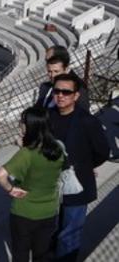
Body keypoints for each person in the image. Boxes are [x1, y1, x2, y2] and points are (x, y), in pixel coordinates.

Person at [49, 73, 109, 261]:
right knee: (55, 227)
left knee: (70, 233)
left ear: (76, 96)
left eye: (66, 92)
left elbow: (102, 152)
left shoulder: (88, 121)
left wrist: (84, 165)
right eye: (57, 91)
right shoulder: (48, 117)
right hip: (51, 184)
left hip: (77, 184)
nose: (60, 95)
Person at [0, 107, 64, 262]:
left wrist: (11, 189)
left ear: (30, 126)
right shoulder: (58, 148)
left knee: (20, 254)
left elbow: (0, 175)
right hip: (49, 211)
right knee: (42, 254)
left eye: (22, 122)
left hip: (24, 213)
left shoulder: (26, 153)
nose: (20, 125)